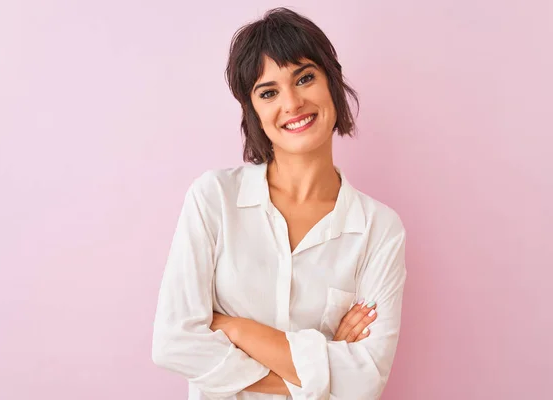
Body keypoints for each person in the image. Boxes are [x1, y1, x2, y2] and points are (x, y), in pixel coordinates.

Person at [152, 7, 407, 400]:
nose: (291, 103)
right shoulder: (214, 199)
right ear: (253, 110)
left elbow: (366, 381)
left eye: (305, 78)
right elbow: (173, 342)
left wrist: (238, 329)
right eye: (268, 92)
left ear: (332, 83)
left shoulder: (379, 229)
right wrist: (321, 369)